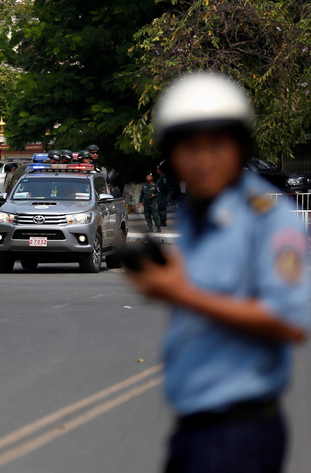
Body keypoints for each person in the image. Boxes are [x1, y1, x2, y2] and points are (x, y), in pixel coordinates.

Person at [124, 72, 308, 473]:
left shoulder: (271, 220)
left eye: (216, 144)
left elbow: (291, 322)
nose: (203, 160)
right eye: (188, 147)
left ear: (240, 146)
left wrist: (180, 292)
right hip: (195, 429)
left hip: (239, 432)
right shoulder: (196, 216)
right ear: (171, 155)